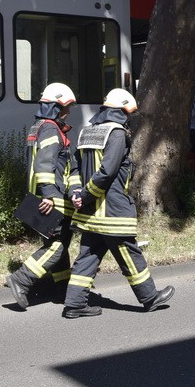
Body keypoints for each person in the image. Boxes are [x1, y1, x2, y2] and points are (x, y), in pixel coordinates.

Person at [61, 88, 174, 318]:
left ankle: (74, 304)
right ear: (121, 111)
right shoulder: (117, 134)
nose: (129, 119)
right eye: (127, 114)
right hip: (111, 210)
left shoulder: (86, 132)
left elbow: (72, 167)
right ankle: (150, 297)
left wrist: (76, 191)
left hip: (90, 213)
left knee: (88, 255)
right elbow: (107, 172)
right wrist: (86, 195)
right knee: (128, 252)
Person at [6, 83, 81, 310]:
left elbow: (66, 166)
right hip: (51, 198)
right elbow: (45, 164)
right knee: (57, 245)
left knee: (57, 244)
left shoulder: (39, 126)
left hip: (41, 196)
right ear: (55, 107)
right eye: (65, 108)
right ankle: (21, 279)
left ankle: (61, 288)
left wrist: (74, 190)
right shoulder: (50, 129)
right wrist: (49, 195)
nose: (67, 112)